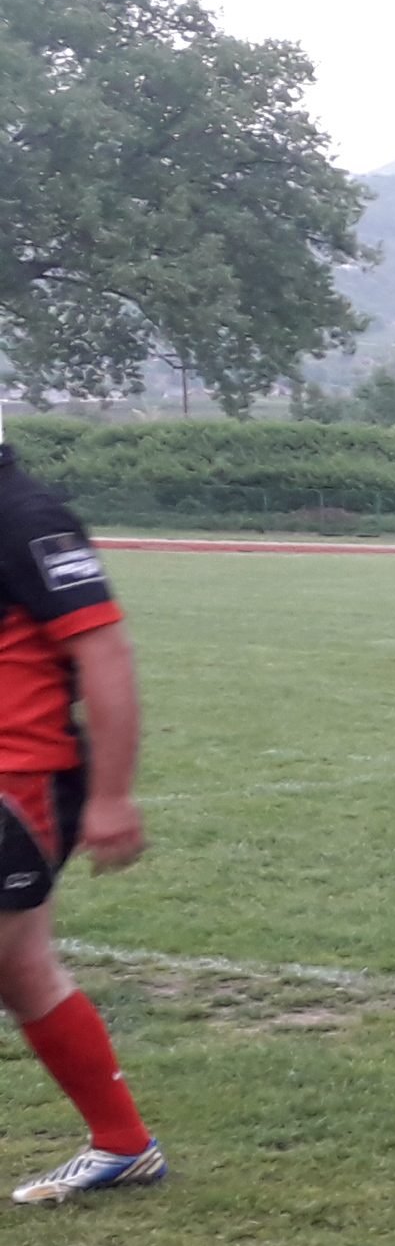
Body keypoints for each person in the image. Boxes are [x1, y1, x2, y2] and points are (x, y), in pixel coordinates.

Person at [0, 436, 164, 1204]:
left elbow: (105, 650)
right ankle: (124, 1146)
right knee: (22, 968)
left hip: (17, 780)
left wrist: (111, 796)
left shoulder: (24, 515)